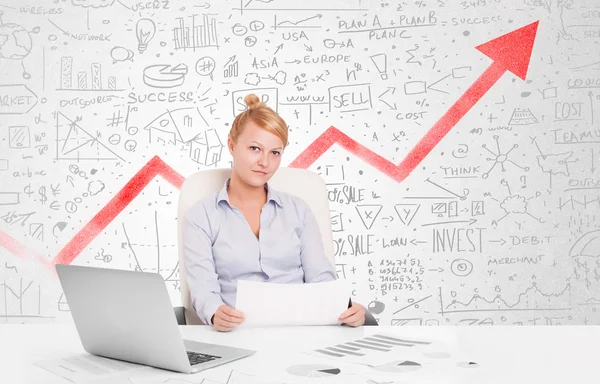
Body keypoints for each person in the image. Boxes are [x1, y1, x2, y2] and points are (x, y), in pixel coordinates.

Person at [182, 94, 367, 332]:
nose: (265, 162)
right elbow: (203, 288)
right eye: (255, 148)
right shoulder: (202, 216)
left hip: (301, 331)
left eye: (275, 153)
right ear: (231, 146)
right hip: (237, 333)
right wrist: (216, 312)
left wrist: (347, 309)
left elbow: (321, 279)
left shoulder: (299, 210)